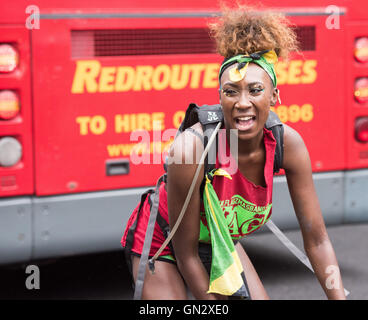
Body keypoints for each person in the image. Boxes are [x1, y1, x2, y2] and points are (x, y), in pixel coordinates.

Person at [121, 5, 346, 300]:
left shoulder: (287, 145)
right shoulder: (191, 149)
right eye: (231, 91)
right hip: (163, 242)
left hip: (218, 241)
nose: (242, 102)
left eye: (255, 90)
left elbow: (317, 241)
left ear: (275, 96)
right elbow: (187, 254)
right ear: (219, 98)